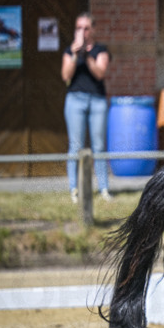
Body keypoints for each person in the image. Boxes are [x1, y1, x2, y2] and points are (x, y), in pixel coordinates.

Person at [61, 12, 111, 203]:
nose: (82, 32)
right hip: (75, 100)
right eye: (79, 28)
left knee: (99, 146)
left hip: (97, 101)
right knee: (75, 146)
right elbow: (65, 76)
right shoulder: (69, 51)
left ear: (93, 30)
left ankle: (103, 189)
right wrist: (75, 54)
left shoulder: (100, 50)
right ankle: (74, 189)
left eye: (86, 28)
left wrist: (87, 55)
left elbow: (100, 73)